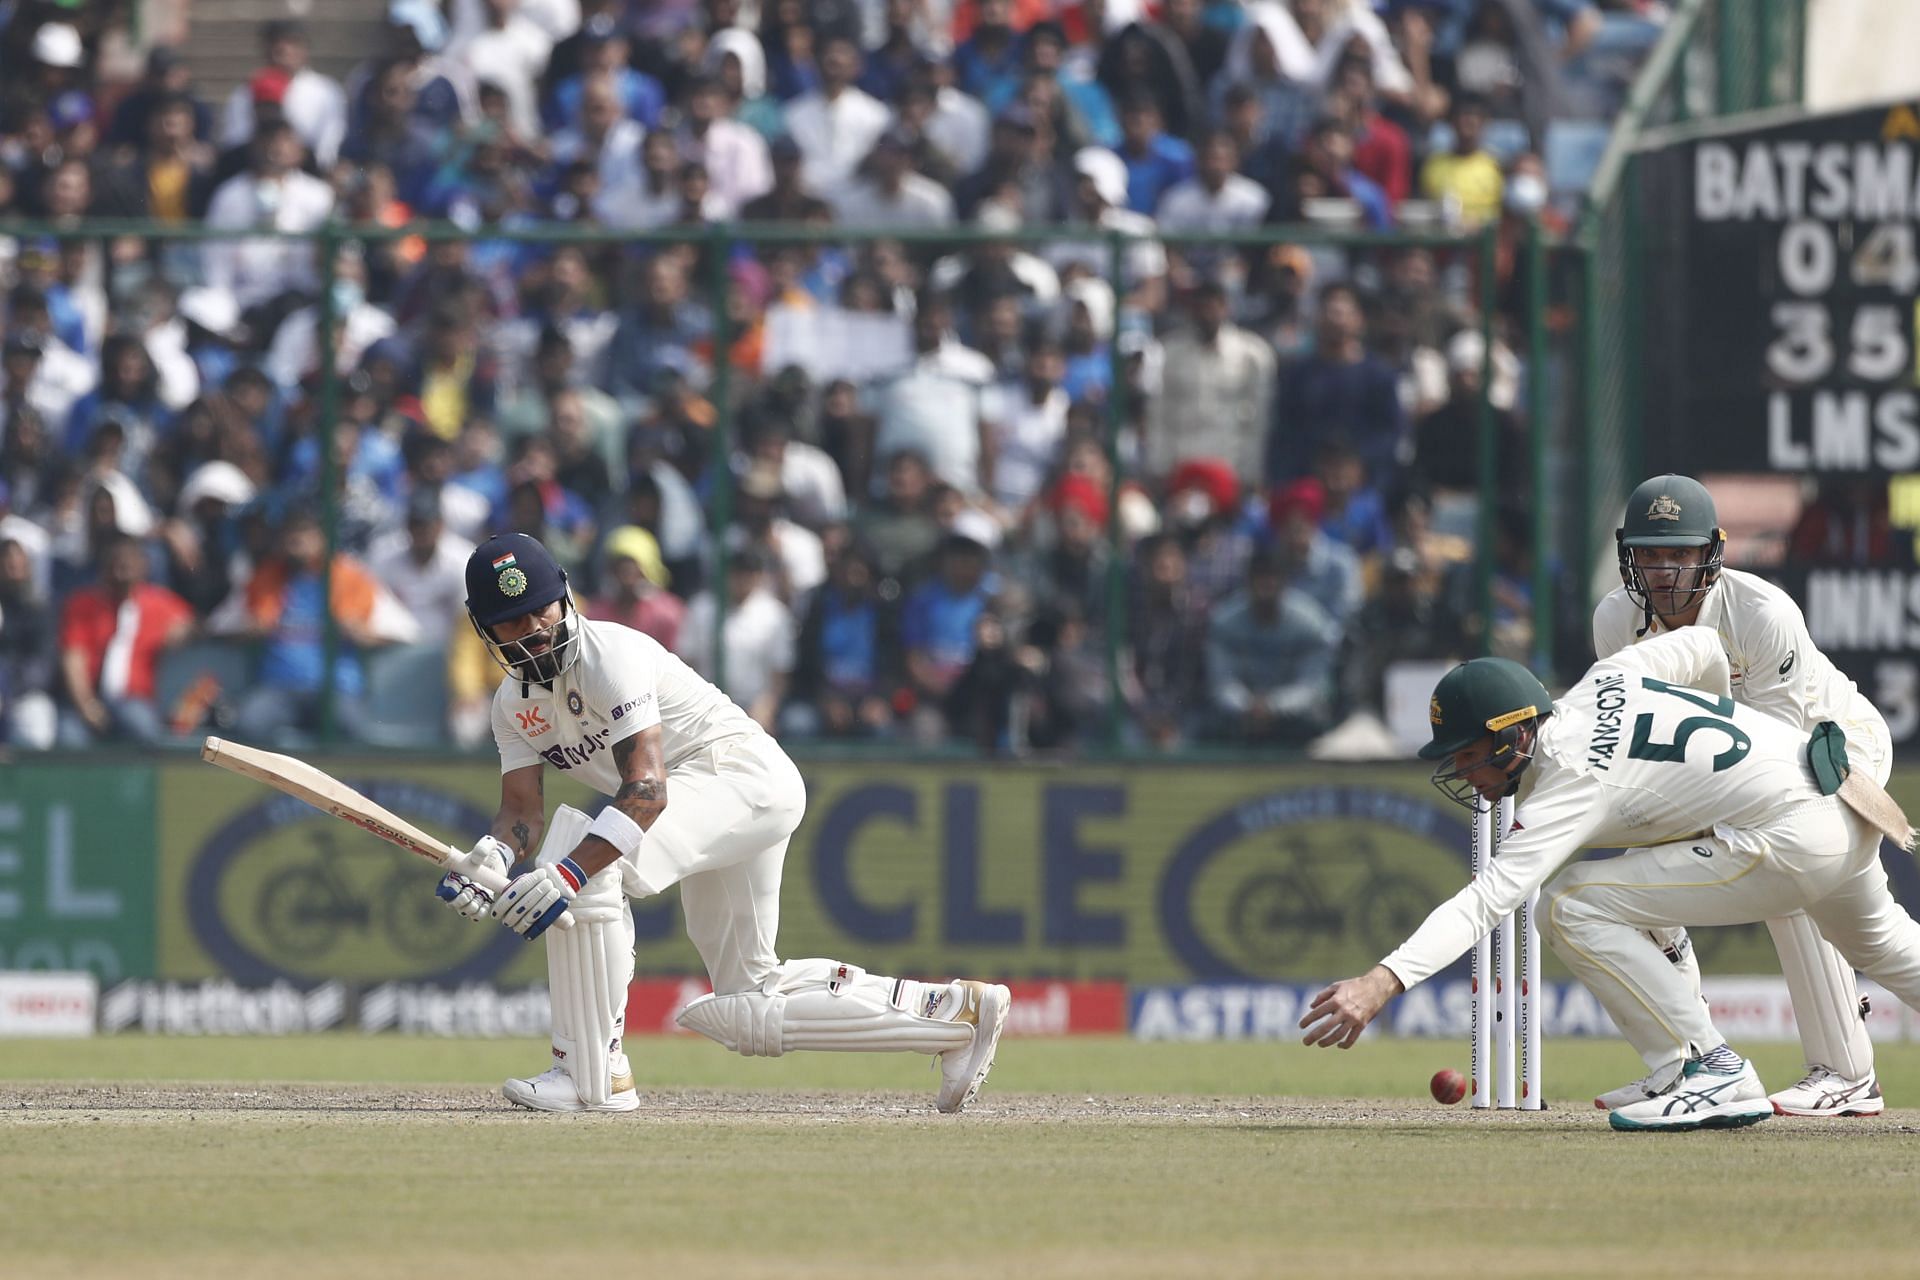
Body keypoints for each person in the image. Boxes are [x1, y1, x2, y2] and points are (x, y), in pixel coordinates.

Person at [432, 533, 1011, 1114]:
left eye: (541, 608)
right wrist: (492, 861)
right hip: (717, 795)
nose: (533, 628)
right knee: (748, 1001)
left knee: (590, 862)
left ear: (565, 598)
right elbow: (521, 815)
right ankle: (954, 1014)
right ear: (485, 630)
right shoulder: (512, 706)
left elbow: (647, 791)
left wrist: (565, 877)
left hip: (738, 775)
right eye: (511, 621)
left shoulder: (611, 657)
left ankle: (589, 1072)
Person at [1298, 631, 1920, 1132]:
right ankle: (1679, 1065)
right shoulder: (1608, 679)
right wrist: (1712, 770)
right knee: (1888, 949)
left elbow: (1487, 900)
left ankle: (1712, 1068)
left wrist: (1382, 981)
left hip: (1792, 832)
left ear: (1517, 734)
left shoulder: (1569, 779)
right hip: (1838, 794)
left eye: (1468, 755)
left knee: (1571, 904)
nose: (1464, 772)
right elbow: (1703, 647)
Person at [1594, 475, 1891, 1117]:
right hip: (1709, 763)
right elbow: (1634, 733)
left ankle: (1845, 1073)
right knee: (1628, 862)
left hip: (1831, 746)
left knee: (1789, 870)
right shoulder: (1614, 617)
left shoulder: (1762, 613)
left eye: (1680, 553)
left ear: (1713, 551)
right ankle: (1688, 1060)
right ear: (1628, 555)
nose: (1665, 570)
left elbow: (1776, 757)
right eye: (1650, 552)